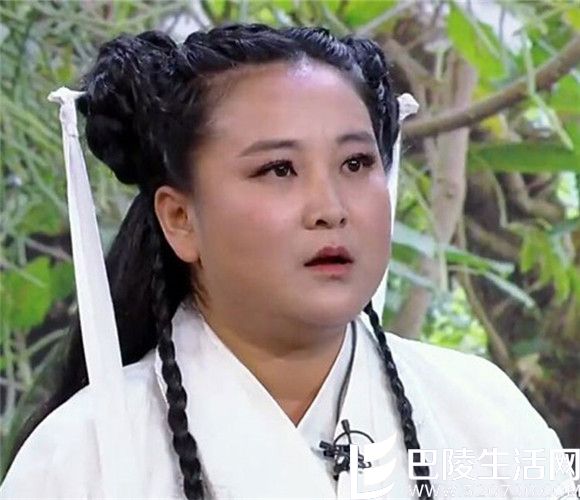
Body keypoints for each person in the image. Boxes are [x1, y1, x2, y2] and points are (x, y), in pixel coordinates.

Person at [0, 23, 576, 500]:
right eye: (278, 169)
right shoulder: (79, 461)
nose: (330, 209)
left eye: (356, 164)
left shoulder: (482, 412)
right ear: (180, 218)